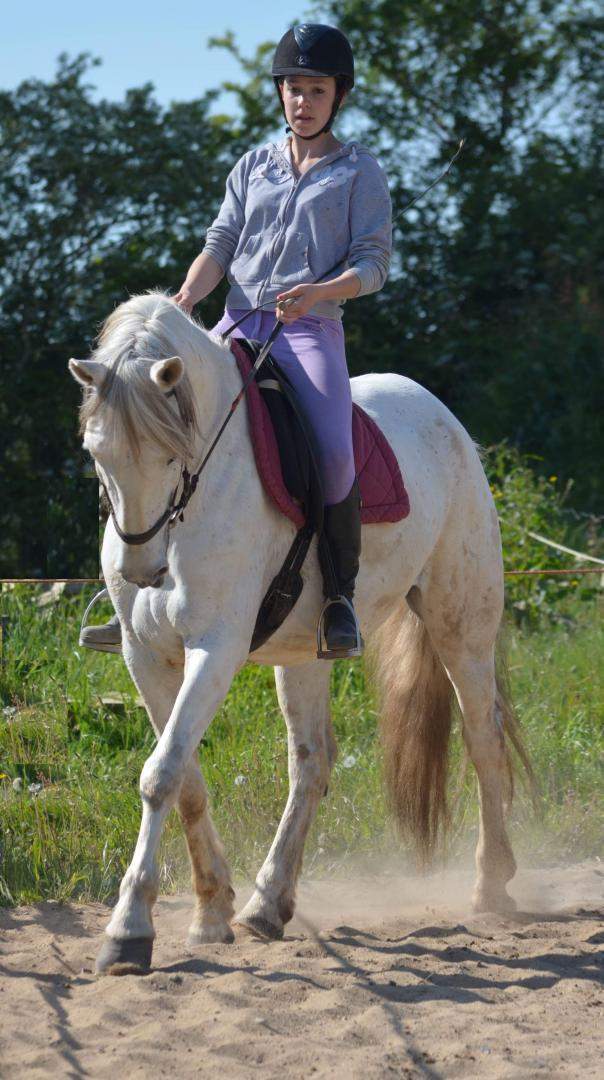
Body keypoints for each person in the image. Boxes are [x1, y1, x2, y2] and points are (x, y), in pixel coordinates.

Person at [80, 23, 392, 659]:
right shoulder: (252, 166)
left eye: (317, 90)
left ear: (339, 96)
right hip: (235, 325)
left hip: (307, 330)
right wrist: (186, 298)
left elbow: (374, 264)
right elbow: (220, 244)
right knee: (148, 427)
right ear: (280, 93)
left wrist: (320, 292)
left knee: (335, 453)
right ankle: (128, 594)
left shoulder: (360, 172)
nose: (303, 101)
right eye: (293, 89)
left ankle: (338, 598)